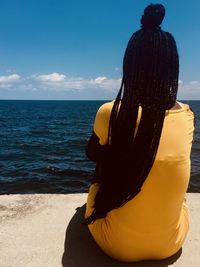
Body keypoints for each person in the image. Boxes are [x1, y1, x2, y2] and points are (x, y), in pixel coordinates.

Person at [84, 3, 195, 262]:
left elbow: (92, 154)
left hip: (115, 247)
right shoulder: (188, 116)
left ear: (129, 65)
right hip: (171, 244)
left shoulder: (110, 112)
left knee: (102, 168)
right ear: (172, 67)